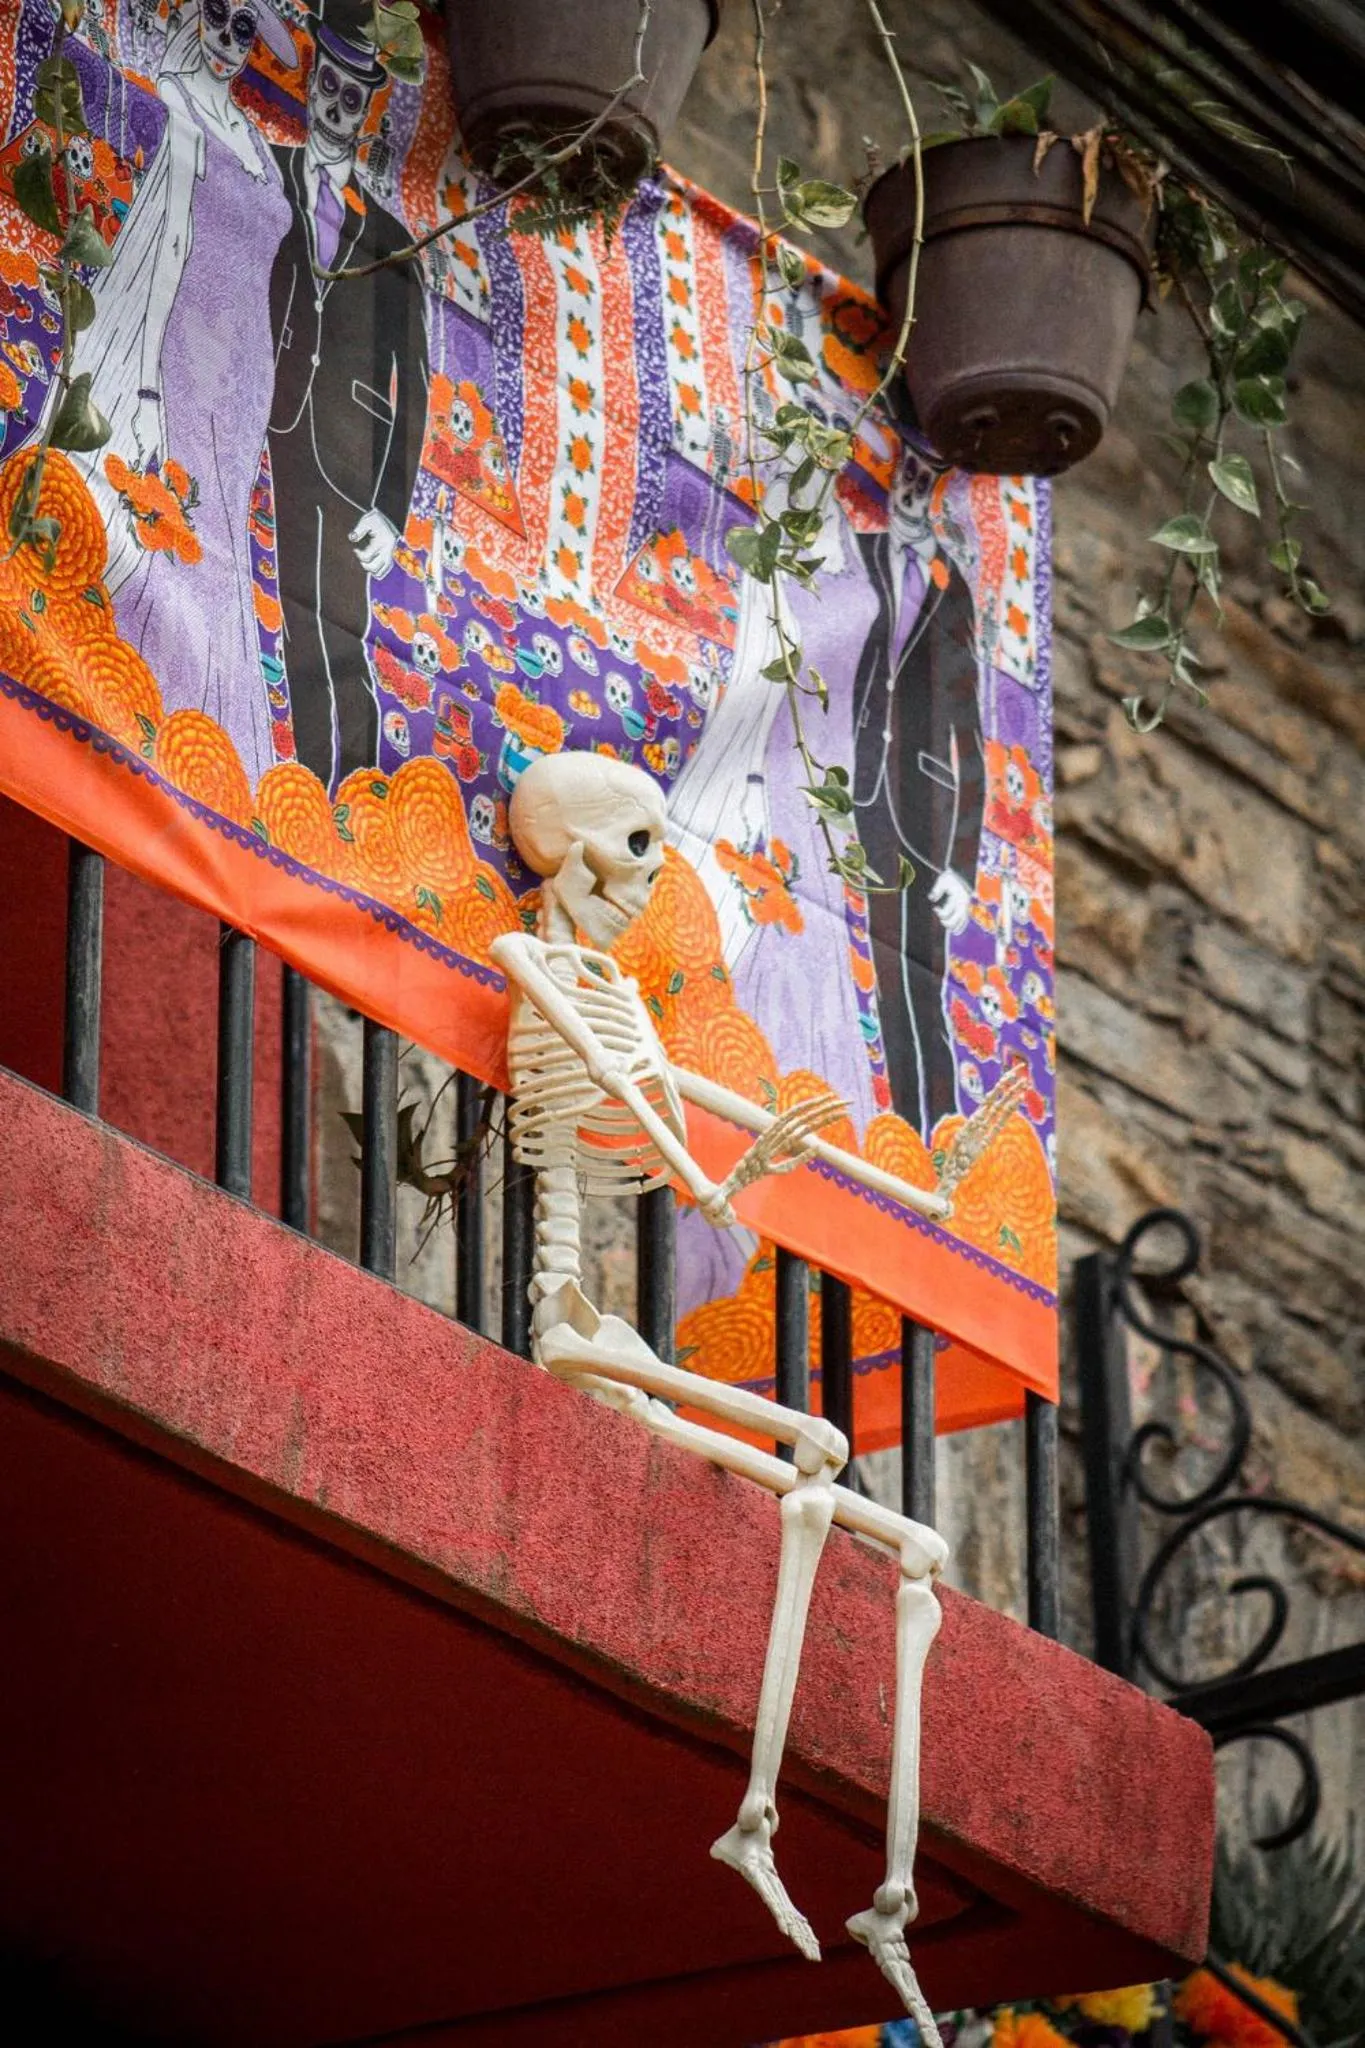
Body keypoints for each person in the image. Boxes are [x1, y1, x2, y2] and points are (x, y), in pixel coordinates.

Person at [73, 0, 297, 790]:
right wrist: (144, 370)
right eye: (220, 20)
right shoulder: (177, 101)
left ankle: (201, 733)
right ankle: (114, 699)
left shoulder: (257, 147)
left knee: (215, 547)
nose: (230, 42)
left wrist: (250, 393)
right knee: (144, 513)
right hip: (169, 344)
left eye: (246, 33)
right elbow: (167, 237)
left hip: (232, 380)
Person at [266, 24, 429, 791]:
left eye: (350, 96)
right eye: (325, 86)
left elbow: (417, 386)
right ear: (311, 84)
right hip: (264, 425)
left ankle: (357, 793)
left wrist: (391, 513)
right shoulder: (267, 167)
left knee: (339, 632)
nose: (333, 106)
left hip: (347, 456)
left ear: (367, 107)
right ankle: (302, 779)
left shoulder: (393, 240)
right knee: (295, 625)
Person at [852, 447, 986, 1141]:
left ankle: (938, 1137)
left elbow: (971, 731)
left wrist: (964, 867)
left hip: (926, 808)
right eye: (905, 467)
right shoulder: (860, 553)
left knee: (922, 979)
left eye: (928, 475)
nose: (912, 483)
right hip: (854, 799)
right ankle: (896, 1131)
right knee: (873, 970)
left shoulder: (949, 585)